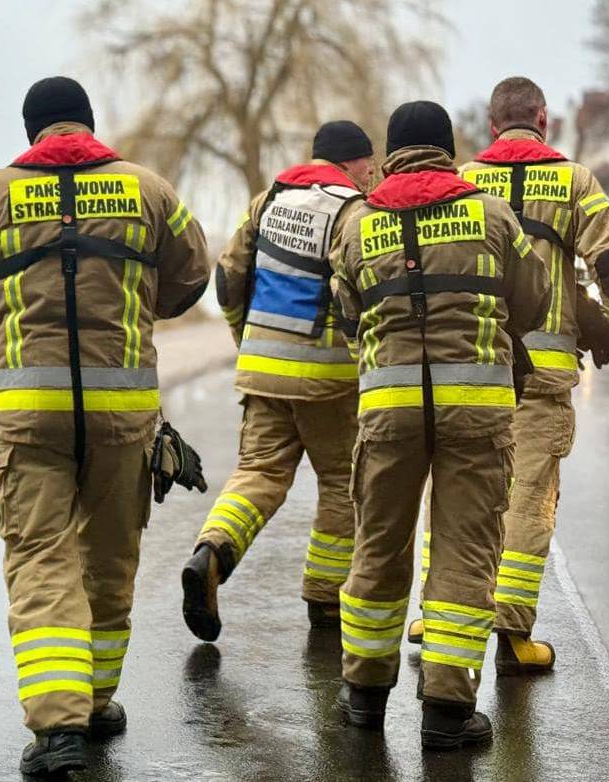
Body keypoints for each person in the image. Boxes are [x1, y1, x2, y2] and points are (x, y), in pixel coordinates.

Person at [0, 76, 212, 776]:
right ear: (88, 125)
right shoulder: (147, 189)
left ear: (32, 132)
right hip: (123, 412)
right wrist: (140, 305)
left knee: (40, 556)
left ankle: (57, 732)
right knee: (112, 555)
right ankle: (92, 701)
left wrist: (7, 309)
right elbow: (194, 270)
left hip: (30, 414)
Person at [402, 77, 609, 674]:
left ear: (492, 126)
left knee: (455, 493)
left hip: (470, 367)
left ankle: (432, 616)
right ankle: (513, 632)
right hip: (540, 375)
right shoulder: (574, 183)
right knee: (528, 498)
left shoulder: (462, 181)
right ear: (543, 117)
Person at [328, 101, 550, 750]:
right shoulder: (491, 213)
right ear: (448, 149)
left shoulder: (355, 222)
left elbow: (343, 310)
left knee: (378, 543)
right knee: (464, 550)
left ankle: (365, 697)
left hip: (388, 410)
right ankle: (447, 714)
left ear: (392, 151)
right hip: (478, 412)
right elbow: (532, 300)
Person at [180, 121, 376, 642]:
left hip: (262, 371)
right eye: (369, 165)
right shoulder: (354, 211)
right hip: (329, 379)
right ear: (351, 163)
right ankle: (325, 598)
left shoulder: (267, 200)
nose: (373, 174)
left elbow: (227, 278)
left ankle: (211, 553)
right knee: (342, 482)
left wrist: (245, 338)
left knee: (259, 474)